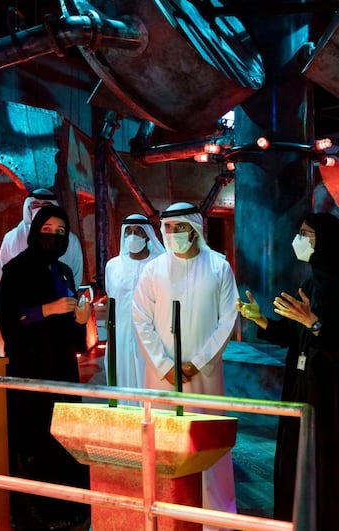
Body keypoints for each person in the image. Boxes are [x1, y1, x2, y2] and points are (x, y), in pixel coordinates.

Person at [237, 212, 339, 531]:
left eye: (306, 234)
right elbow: (293, 335)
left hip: (336, 402)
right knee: (301, 462)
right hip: (304, 390)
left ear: (326, 243)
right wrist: (260, 320)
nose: (298, 240)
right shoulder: (311, 282)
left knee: (331, 469)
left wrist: (314, 323)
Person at [132, 201, 238, 530]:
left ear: (194, 229)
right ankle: (167, 507)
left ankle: (215, 515)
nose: (174, 234)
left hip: (204, 375)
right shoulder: (153, 270)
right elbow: (141, 318)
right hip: (162, 375)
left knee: (208, 440)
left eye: (180, 228)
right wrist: (165, 364)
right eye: (168, 228)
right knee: (165, 442)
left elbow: (228, 319)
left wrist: (199, 361)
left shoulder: (219, 267)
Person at [0, 204, 92, 531]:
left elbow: (76, 336)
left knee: (64, 439)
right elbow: (9, 322)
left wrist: (80, 320)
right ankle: (37, 514)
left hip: (63, 369)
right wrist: (46, 310)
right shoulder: (16, 271)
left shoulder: (64, 272)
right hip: (31, 371)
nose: (54, 236)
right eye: (48, 230)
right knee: (36, 439)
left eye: (61, 232)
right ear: (36, 230)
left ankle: (69, 508)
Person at [104, 213, 165, 405]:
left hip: (151, 336)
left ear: (147, 235)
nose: (133, 236)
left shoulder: (160, 264)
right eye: (128, 231)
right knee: (122, 381)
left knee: (150, 384)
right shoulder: (113, 265)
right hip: (120, 335)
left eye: (138, 231)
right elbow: (111, 296)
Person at [0, 188, 84, 288]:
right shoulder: (11, 238)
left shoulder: (71, 241)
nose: (40, 209)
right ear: (28, 208)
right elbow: (4, 275)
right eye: (36, 205)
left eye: (46, 205)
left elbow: (76, 276)